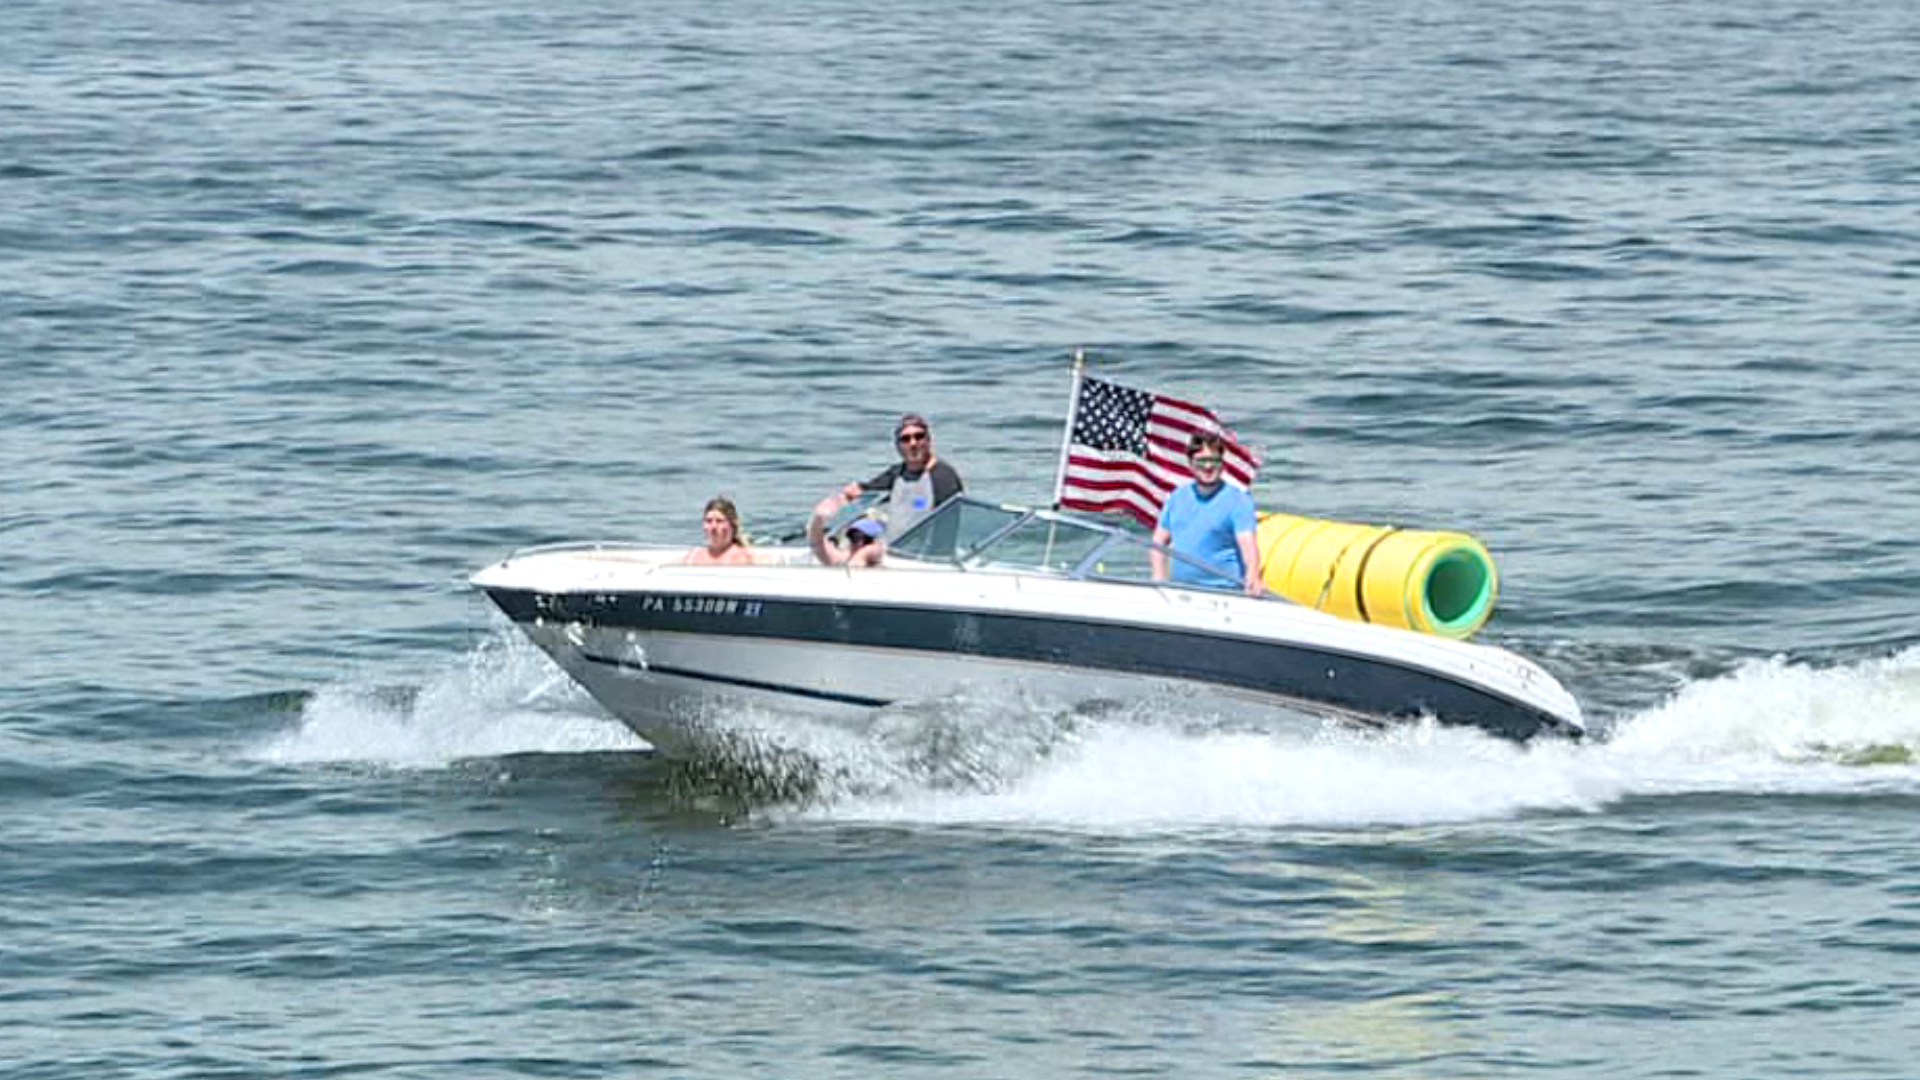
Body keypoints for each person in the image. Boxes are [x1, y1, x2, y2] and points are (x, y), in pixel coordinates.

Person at [1150, 433, 1264, 596]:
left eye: (1214, 460)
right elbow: (1158, 542)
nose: (1208, 466)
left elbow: (1248, 547)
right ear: (1190, 464)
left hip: (1225, 593)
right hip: (1182, 592)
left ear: (1222, 464)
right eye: (1201, 461)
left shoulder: (1239, 500)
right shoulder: (1177, 497)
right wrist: (1159, 579)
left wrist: (1253, 576)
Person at [842, 413, 964, 540]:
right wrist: (852, 492)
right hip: (894, 548)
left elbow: (948, 527)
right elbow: (868, 491)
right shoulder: (896, 474)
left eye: (919, 437)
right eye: (906, 439)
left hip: (924, 554)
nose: (913, 443)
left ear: (928, 440)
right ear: (898, 446)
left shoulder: (943, 477)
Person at [807, 489, 885, 567]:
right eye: (855, 537)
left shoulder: (882, 555)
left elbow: (860, 561)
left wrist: (864, 553)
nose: (860, 543)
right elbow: (817, 543)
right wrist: (818, 519)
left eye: (866, 540)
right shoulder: (843, 558)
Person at [684, 496, 756, 565]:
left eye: (719, 521)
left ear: (732, 524)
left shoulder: (739, 558)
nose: (713, 526)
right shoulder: (693, 555)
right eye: (709, 521)